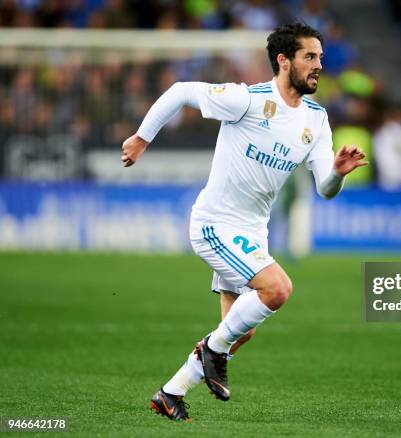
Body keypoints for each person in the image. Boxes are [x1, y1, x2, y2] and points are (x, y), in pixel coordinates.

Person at [120, 22, 368, 421]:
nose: (319, 65)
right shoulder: (248, 100)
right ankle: (211, 350)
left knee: (240, 330)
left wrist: (338, 171)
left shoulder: (317, 121)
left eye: (320, 57)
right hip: (215, 225)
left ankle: (171, 392)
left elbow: (324, 188)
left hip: (252, 231)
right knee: (278, 289)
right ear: (284, 61)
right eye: (310, 57)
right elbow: (181, 90)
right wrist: (142, 137)